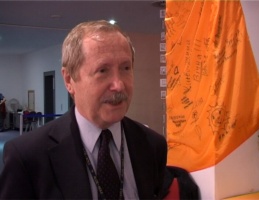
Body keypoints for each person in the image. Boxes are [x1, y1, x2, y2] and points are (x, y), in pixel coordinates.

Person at [0, 20, 167, 199]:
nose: (119, 85)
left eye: (126, 68)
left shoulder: (152, 145)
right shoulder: (28, 156)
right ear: (69, 80)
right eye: (103, 70)